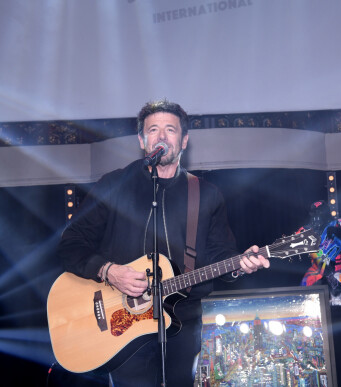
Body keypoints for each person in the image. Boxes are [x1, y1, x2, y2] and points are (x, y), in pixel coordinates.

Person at [57, 99, 270, 387]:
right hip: (121, 326)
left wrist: (240, 265)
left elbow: (220, 254)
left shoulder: (205, 195)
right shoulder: (114, 185)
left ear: (184, 141)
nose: (161, 136)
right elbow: (71, 243)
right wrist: (109, 271)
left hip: (182, 324)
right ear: (142, 140)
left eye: (170, 130)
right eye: (153, 130)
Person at [297, 200, 341, 306]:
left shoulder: (338, 223)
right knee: (305, 295)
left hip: (336, 267)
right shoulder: (306, 229)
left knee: (337, 298)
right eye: (315, 213)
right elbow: (294, 244)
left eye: (320, 213)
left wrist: (337, 231)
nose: (317, 217)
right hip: (316, 267)